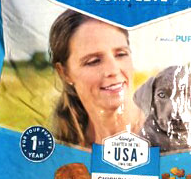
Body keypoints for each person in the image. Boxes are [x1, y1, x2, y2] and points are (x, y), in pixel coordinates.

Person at [49, 9, 145, 148]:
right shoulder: (61, 149)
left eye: (121, 54)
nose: (113, 70)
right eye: (93, 61)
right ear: (64, 73)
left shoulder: (168, 135)